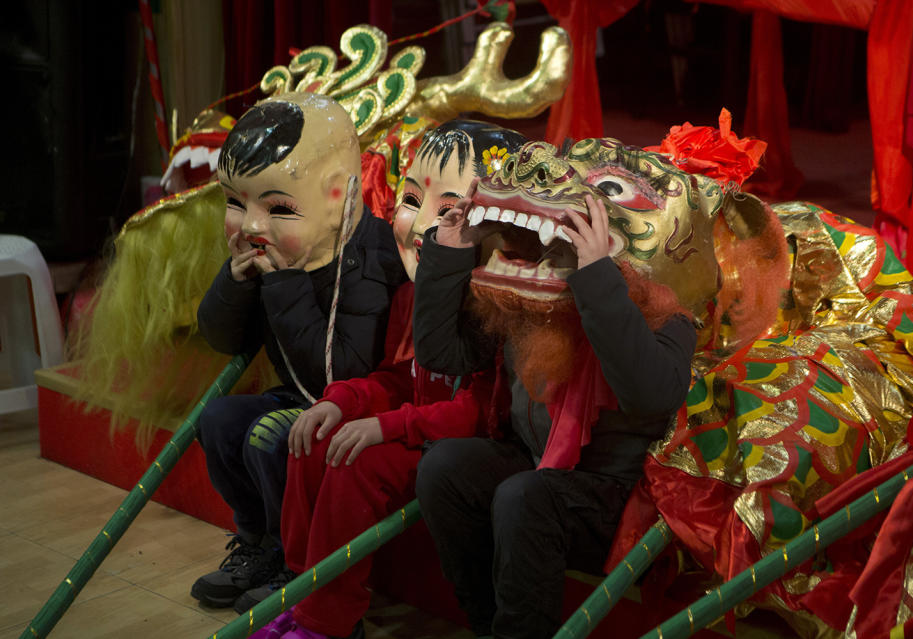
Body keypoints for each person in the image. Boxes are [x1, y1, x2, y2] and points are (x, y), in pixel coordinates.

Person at [249, 120, 527, 639]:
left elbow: (478, 412)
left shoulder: (500, 309)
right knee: (312, 441)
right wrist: (342, 401)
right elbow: (399, 378)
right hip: (415, 431)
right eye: (412, 199)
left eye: (448, 212)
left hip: (460, 449)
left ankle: (327, 622)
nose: (422, 224)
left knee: (357, 460)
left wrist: (386, 428)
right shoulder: (410, 297)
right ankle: (304, 589)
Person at [411, 141, 699, 638]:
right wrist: (451, 246)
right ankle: (487, 624)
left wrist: (596, 276)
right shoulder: (529, 294)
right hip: (538, 465)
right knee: (445, 468)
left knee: (527, 498)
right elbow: (445, 355)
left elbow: (650, 394)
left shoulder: (671, 317)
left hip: (617, 496)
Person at [190, 92, 407, 612]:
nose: (251, 227)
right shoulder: (270, 255)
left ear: (338, 198)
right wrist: (236, 284)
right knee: (219, 419)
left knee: (272, 436)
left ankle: (298, 557)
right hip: (297, 394)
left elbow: (342, 370)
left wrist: (284, 287)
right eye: (236, 203)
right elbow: (222, 338)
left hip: (358, 404)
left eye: (278, 207)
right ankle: (258, 540)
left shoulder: (371, 258)